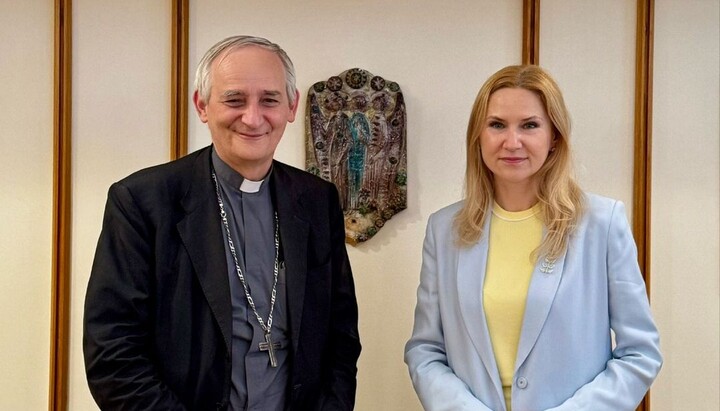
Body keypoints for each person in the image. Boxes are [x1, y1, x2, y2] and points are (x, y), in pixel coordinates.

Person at [83, 35, 361, 410]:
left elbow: (341, 337)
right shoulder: (143, 201)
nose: (252, 117)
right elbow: (113, 350)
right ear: (202, 105)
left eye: (269, 99)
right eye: (234, 99)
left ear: (292, 106)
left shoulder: (317, 200)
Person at [404, 65, 662, 411]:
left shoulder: (602, 223)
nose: (512, 142)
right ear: (477, 136)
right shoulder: (444, 229)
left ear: (554, 135)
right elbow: (425, 351)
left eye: (530, 125)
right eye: (497, 125)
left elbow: (640, 353)